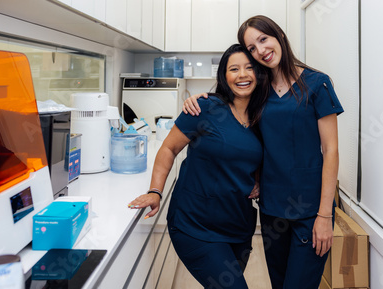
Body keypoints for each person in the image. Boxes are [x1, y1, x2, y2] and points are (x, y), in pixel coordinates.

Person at [182, 15, 344, 289]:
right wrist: (198, 98)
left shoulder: (317, 84)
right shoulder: (259, 89)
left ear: (278, 35)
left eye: (263, 39)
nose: (261, 50)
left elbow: (331, 150)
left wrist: (324, 215)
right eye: (252, 48)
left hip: (310, 210)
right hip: (272, 210)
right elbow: (246, 128)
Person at [128, 44, 271, 289]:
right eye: (234, 69)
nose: (243, 75)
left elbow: (256, 156)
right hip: (195, 224)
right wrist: (155, 191)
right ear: (224, 76)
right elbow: (168, 149)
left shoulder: (263, 116)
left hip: (239, 225)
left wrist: (258, 179)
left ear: (259, 73)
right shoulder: (204, 108)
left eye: (250, 68)